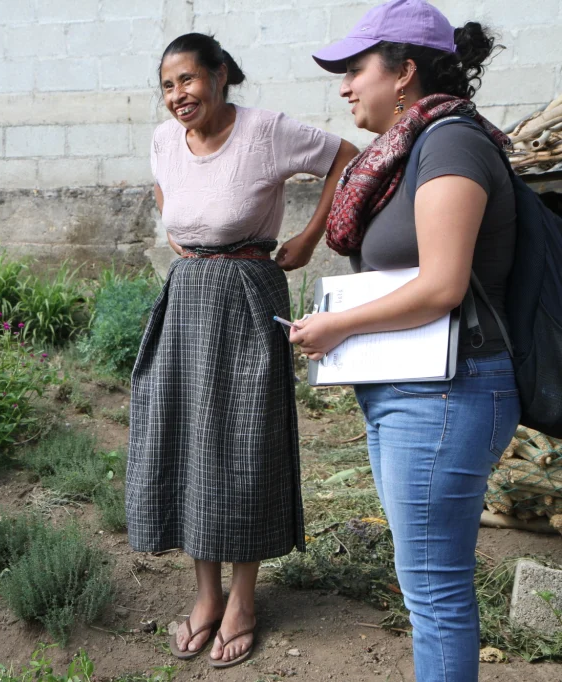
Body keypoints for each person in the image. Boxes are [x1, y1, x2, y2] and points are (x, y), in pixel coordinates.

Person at [290, 2, 521, 680]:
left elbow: (443, 286)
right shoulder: (406, 152)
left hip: (448, 393)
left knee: (435, 591)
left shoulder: (450, 143)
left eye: (355, 69)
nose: (343, 86)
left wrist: (338, 326)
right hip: (408, 391)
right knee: (427, 585)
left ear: (406, 71)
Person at [126, 32, 357, 668]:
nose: (178, 96)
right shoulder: (163, 138)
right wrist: (182, 230)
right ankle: (204, 595)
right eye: (168, 85)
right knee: (188, 437)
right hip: (187, 296)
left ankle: (244, 600)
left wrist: (310, 237)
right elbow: (164, 191)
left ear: (221, 75)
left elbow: (347, 157)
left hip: (249, 294)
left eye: (189, 81)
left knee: (242, 439)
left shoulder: (266, 131)